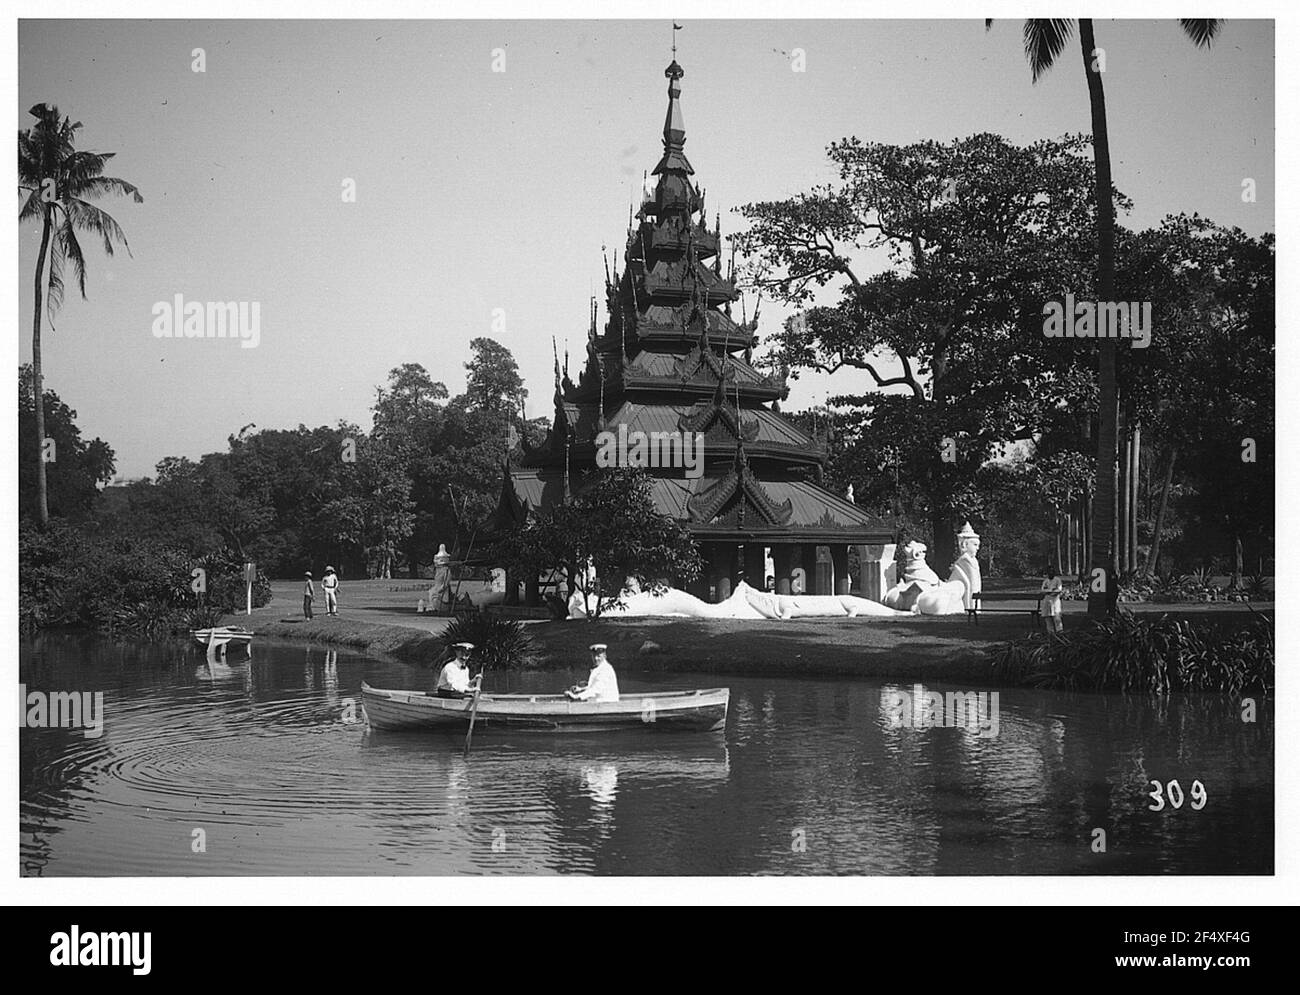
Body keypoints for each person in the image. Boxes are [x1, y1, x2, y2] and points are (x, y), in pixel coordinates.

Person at [1039, 563, 1064, 634]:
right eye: (1049, 571)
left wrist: (1050, 591)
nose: (1050, 573)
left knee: (1057, 618)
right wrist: (1051, 590)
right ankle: (1050, 632)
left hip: (1055, 601)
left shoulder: (1057, 580)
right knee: (1047, 617)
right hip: (1046, 601)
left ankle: (1060, 631)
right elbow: (1043, 590)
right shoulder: (1045, 581)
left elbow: (1058, 590)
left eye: (1052, 571)